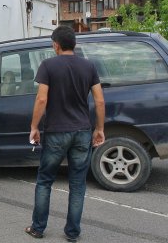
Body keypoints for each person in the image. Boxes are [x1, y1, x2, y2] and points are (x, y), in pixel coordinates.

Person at [25, 25, 105, 242]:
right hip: (81, 132)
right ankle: (72, 233)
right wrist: (99, 129)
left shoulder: (48, 65)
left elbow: (42, 99)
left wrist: (34, 127)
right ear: (74, 44)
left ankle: (38, 228)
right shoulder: (89, 67)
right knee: (78, 184)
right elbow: (99, 100)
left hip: (56, 132)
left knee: (44, 181)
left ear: (56, 45)